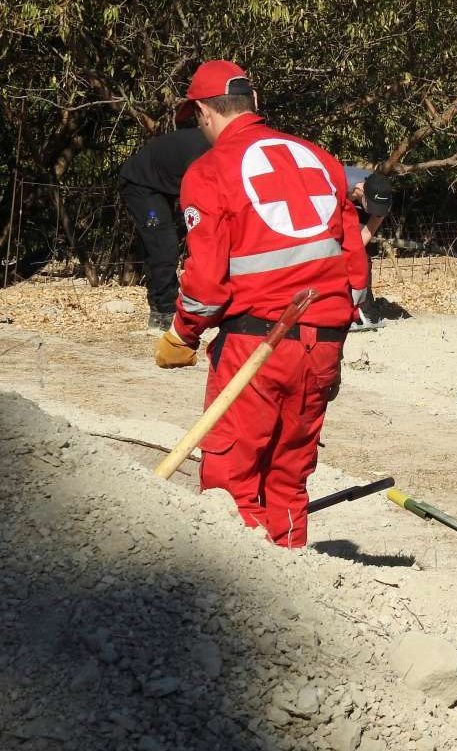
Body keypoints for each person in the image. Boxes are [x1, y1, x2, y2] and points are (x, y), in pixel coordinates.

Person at [152, 60, 368, 548]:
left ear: (205, 111)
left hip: (257, 345)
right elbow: (354, 267)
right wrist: (333, 335)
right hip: (324, 341)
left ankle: (241, 590)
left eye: (197, 118)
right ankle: (292, 575)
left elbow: (206, 286)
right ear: (254, 105)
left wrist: (182, 335)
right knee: (289, 474)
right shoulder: (319, 157)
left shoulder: (209, 171)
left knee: (232, 479)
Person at [118, 128, 210, 330]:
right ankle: (165, 311)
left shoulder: (219, 146)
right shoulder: (206, 152)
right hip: (141, 185)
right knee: (163, 244)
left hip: (164, 185)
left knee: (161, 244)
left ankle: (162, 307)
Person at [342, 167, 394, 331]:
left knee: (361, 257)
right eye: (372, 206)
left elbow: (364, 236)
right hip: (335, 204)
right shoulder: (338, 185)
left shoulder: (383, 198)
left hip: (357, 208)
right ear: (361, 193)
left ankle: (364, 308)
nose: (377, 212)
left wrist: (352, 258)